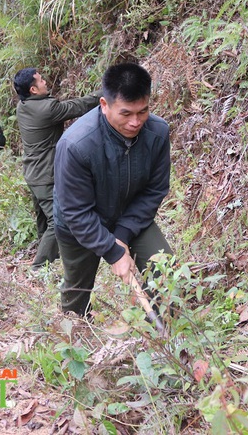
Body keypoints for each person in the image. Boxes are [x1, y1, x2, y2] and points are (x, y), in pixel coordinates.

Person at [53, 63, 173, 318]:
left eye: (143, 111)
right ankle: (75, 336)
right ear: (104, 105)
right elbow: (75, 211)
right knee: (77, 291)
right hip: (79, 226)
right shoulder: (76, 144)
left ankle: (167, 338)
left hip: (130, 216)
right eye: (126, 113)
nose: (135, 122)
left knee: (166, 272)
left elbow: (155, 190)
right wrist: (113, 250)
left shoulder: (158, 132)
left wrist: (122, 234)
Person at [13, 67, 101, 270]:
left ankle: (48, 258)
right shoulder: (46, 109)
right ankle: (39, 267)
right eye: (41, 80)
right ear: (33, 89)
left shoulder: (23, 105)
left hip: (32, 172)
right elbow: (80, 106)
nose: (45, 81)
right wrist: (106, 92)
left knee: (44, 220)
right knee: (56, 220)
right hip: (45, 174)